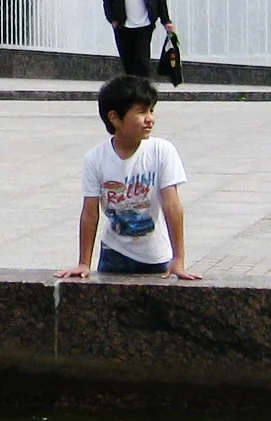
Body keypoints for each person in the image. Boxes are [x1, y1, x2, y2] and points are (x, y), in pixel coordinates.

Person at [61, 74, 199, 280]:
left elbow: (172, 206)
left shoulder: (162, 151)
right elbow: (90, 213)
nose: (150, 118)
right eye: (141, 112)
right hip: (113, 255)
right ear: (114, 118)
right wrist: (84, 262)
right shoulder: (95, 158)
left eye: (151, 110)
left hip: (156, 256)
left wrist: (178, 259)